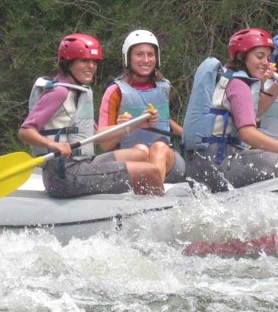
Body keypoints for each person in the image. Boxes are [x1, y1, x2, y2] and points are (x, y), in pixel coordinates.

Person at [19, 33, 167, 197]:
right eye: (84, 61)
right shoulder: (59, 92)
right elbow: (25, 131)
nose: (91, 66)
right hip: (64, 175)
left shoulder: (79, 91)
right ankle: (162, 214)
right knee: (149, 172)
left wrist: (136, 124)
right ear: (68, 63)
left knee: (139, 154)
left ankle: (141, 205)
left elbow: (99, 136)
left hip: (82, 163)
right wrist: (55, 145)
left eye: (94, 61)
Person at [183, 27, 278, 191]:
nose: (266, 62)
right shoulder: (239, 85)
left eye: (268, 57)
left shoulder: (227, 78)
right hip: (220, 162)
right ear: (241, 56)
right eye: (259, 56)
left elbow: (254, 112)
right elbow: (248, 133)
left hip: (199, 166)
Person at [97, 30, 185, 183]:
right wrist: (124, 127)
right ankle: (152, 189)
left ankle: (154, 192)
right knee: (141, 150)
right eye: (139, 54)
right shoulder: (115, 91)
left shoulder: (164, 87)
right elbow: (104, 144)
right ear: (128, 58)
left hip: (168, 160)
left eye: (150, 55)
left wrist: (188, 136)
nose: (146, 60)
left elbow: (165, 121)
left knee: (159, 147)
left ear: (157, 58)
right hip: (133, 161)